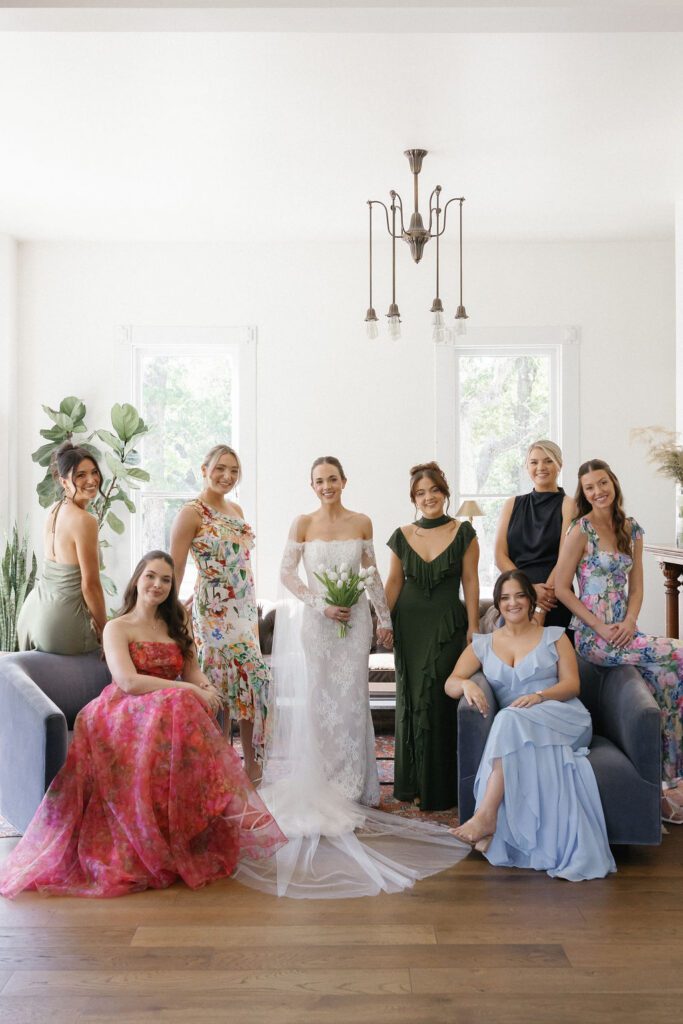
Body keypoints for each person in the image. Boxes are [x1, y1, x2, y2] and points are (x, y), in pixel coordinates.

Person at [234, 457, 470, 899]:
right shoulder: (302, 523)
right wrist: (318, 602)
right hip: (319, 622)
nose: (327, 486)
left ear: (344, 481)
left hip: (355, 621)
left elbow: (370, 572)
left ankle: (356, 788)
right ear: (312, 485)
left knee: (351, 699)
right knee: (322, 697)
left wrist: (383, 618)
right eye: (319, 480)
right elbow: (286, 574)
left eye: (333, 479)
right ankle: (323, 781)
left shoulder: (362, 520)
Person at [0, 551, 286, 899]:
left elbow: (193, 671)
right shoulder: (116, 627)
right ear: (137, 579)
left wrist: (206, 687)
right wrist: (187, 688)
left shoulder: (177, 621)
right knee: (181, 702)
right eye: (151, 576)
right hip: (122, 709)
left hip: (167, 709)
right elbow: (129, 681)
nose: (158, 585)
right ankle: (208, 813)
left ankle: (195, 824)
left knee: (184, 705)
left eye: (166, 580)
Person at [445, 570, 616, 881]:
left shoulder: (555, 636)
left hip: (564, 717)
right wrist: (467, 686)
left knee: (508, 717)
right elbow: (450, 683)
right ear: (497, 604)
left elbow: (572, 685)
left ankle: (485, 816)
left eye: (520, 596)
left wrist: (539, 696)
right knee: (510, 719)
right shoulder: (483, 644)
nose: (514, 603)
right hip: (516, 728)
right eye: (506, 598)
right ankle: (489, 820)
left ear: (530, 599)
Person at [554, 459, 683, 820]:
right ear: (584, 493)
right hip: (594, 638)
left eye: (602, 483)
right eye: (590, 487)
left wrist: (629, 621)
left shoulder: (632, 529)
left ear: (614, 482)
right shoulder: (581, 530)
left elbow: (638, 587)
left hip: (626, 632)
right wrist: (599, 626)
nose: (598, 491)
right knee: (681, 653)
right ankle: (670, 784)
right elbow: (563, 590)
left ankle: (664, 784)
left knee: (668, 678)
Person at [170, 444, 270, 783]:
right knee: (219, 690)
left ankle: (252, 774)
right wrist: (172, 613)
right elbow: (176, 568)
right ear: (204, 469)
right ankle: (217, 773)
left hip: (242, 614)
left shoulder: (237, 510)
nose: (227, 476)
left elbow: (241, 568)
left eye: (233, 471)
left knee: (256, 684)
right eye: (220, 468)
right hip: (212, 617)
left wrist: (252, 622)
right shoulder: (191, 513)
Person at [384, 461, 479, 810]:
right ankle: (411, 784)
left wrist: (473, 625)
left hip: (447, 625)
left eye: (434, 491)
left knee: (438, 698)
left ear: (445, 492)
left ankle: (439, 788)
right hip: (407, 625)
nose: (429, 498)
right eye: (421, 493)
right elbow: (394, 582)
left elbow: (470, 580)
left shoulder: (464, 531)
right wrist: (383, 623)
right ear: (414, 498)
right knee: (410, 699)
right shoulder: (402, 535)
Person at [18, 441, 107, 654]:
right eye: (80, 475)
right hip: (62, 621)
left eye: (94, 472)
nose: (91, 480)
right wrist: (106, 633)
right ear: (64, 481)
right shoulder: (85, 521)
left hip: (33, 614)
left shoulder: (55, 509)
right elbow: (90, 586)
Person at [494, 439, 575, 630]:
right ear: (527, 466)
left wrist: (540, 607)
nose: (541, 467)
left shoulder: (569, 504)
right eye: (534, 462)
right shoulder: (511, 504)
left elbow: (566, 560)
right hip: (517, 596)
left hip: (553, 598)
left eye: (548, 461)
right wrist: (527, 590)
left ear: (559, 464)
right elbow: (499, 556)